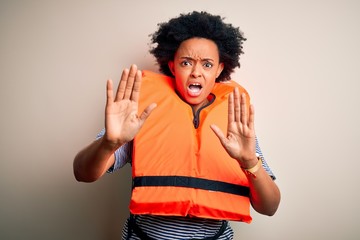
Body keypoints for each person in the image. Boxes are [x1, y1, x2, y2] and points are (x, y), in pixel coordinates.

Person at [73, 11, 280, 240]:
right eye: (186, 62)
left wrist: (250, 162)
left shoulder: (235, 124)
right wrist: (108, 143)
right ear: (172, 66)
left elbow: (269, 207)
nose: (196, 72)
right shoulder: (140, 114)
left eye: (207, 64)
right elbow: (82, 173)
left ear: (220, 69)